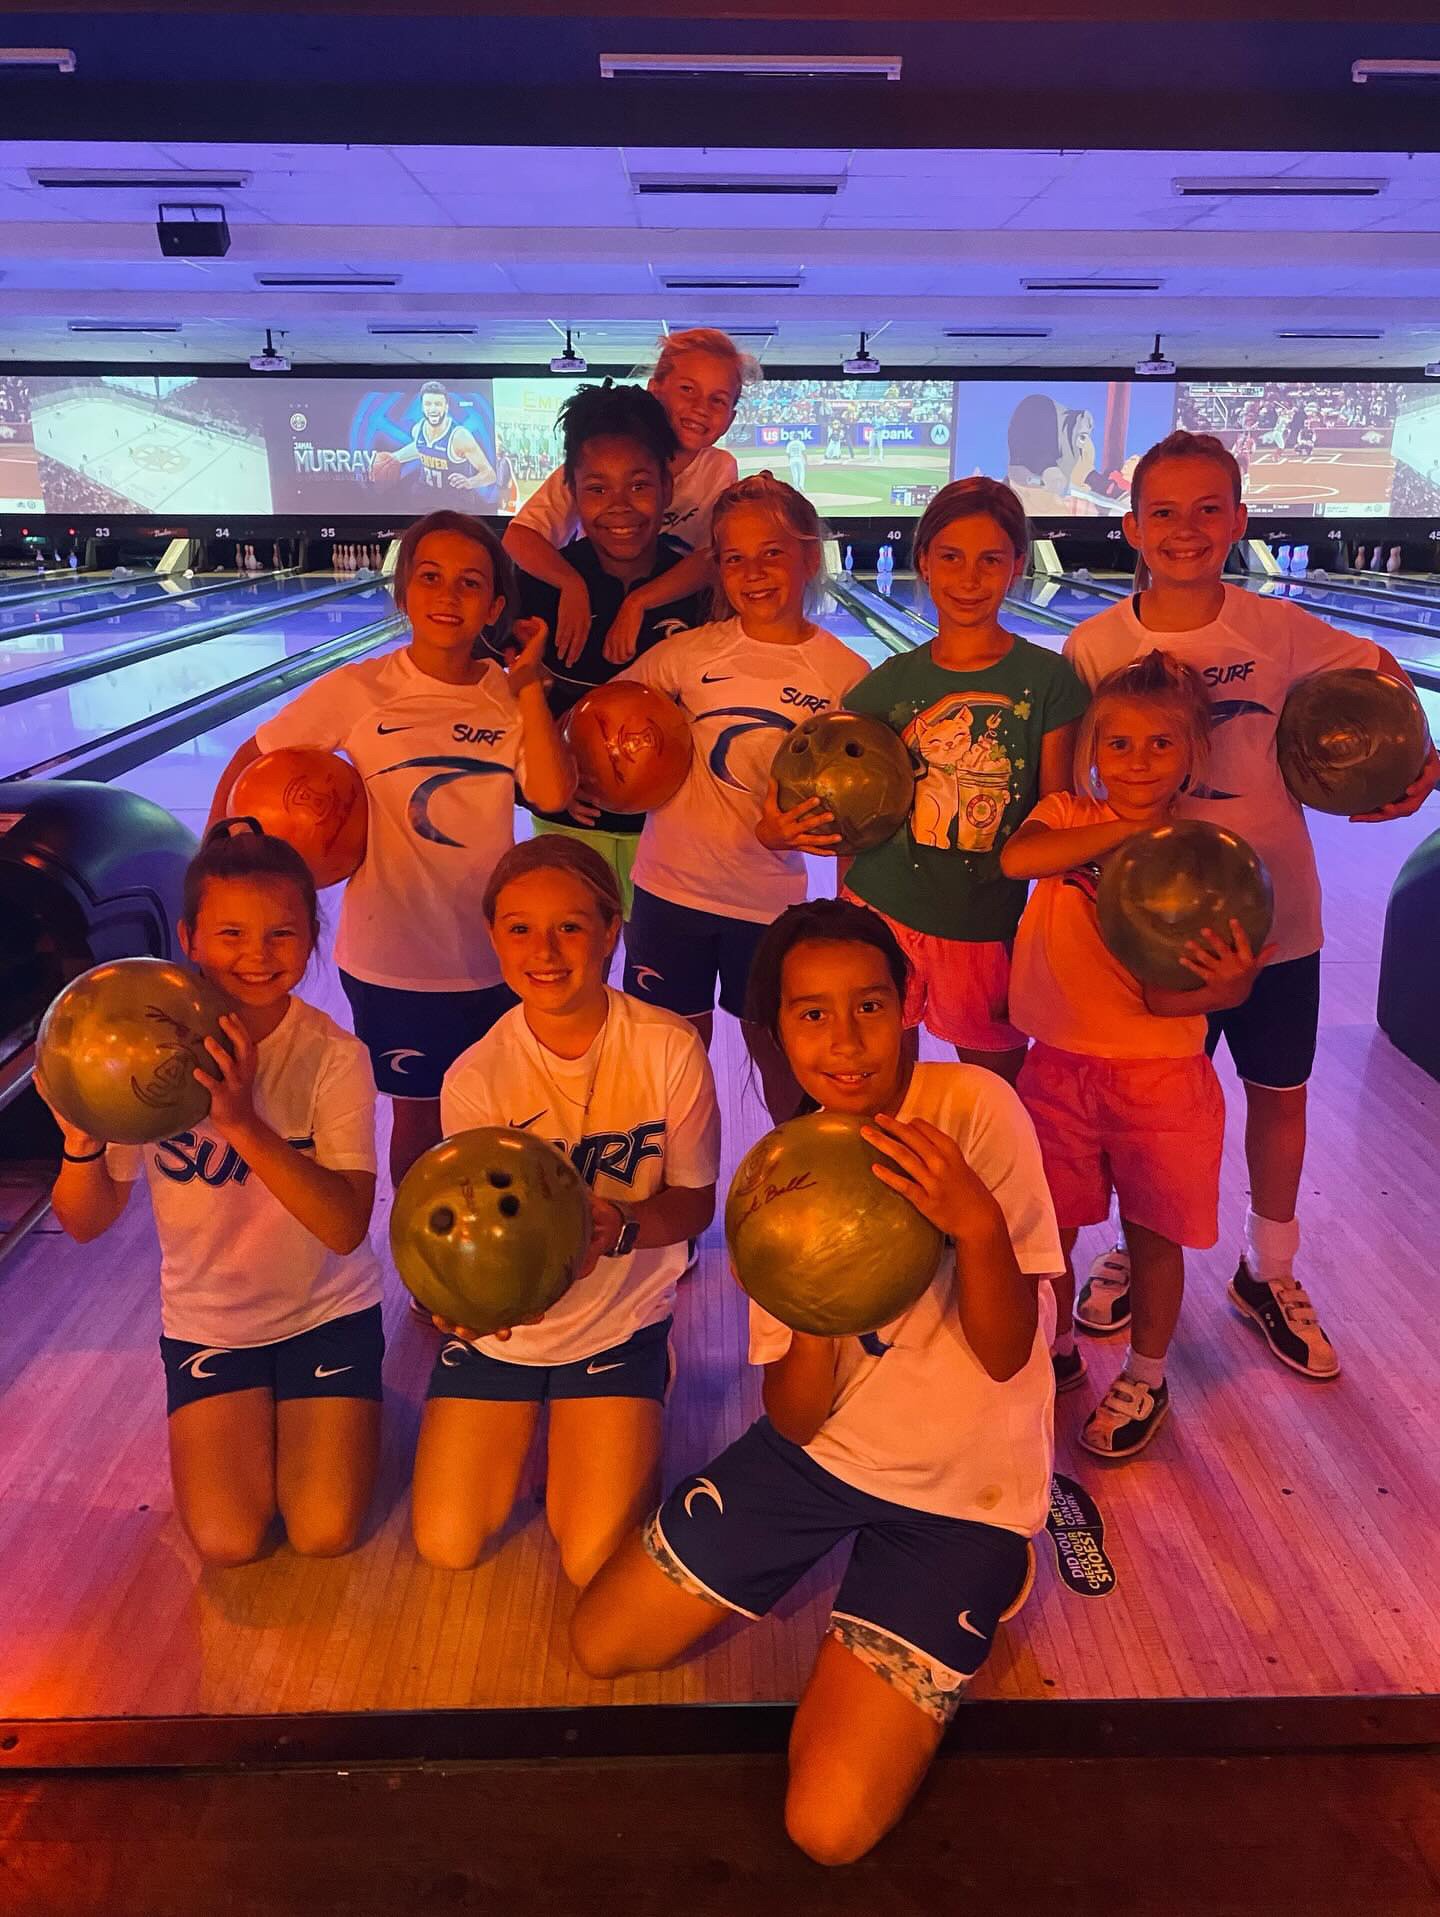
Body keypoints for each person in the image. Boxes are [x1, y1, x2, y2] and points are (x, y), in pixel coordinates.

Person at [572, 898, 1061, 1866]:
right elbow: (794, 1424)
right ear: (776, 1029)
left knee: (826, 1827)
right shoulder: (780, 1173)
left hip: (965, 1494)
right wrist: (805, 1311)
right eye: (811, 1014)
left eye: (869, 1007)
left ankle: (988, 1572)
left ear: (908, 1002)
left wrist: (974, 1223)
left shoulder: (975, 1111)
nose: (845, 1042)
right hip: (826, 1459)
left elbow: (1009, 1354)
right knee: (602, 1640)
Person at [1065, 430, 1439, 1379]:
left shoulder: (1277, 629)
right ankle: (1137, 1248)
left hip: (1280, 916)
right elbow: (1081, 782)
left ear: (1238, 520)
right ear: (1130, 527)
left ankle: (1267, 1269)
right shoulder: (1094, 643)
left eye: (1207, 509)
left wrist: (1414, 763)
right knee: (1151, 1110)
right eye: (1164, 511)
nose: (1186, 529)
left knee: (1278, 1094)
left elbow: (1384, 674)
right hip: (1153, 930)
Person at [42, 824, 383, 1566]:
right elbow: (87, 1222)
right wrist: (80, 1138)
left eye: (281, 934)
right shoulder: (147, 1051)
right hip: (211, 1327)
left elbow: (347, 1226)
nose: (257, 955)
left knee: (324, 1529)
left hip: (329, 1315)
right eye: (232, 933)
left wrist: (242, 1122)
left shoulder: (334, 1057)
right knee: (230, 1540)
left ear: (310, 938)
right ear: (191, 937)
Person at [206, 510, 575, 1186]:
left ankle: (490, 1263)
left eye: (470, 584)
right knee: (419, 1121)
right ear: (403, 590)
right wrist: (214, 860)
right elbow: (253, 755)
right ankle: (428, 1270)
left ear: (494, 606)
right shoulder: (360, 688)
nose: (447, 595)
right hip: (391, 959)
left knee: (499, 1115)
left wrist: (527, 687)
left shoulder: (505, 696)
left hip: (495, 953)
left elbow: (550, 794)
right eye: (430, 577)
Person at [410, 837, 719, 1587]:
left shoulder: (669, 1047)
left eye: (571, 926)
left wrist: (625, 1227)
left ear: (613, 930)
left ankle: (647, 1366)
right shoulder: (475, 1077)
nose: (544, 951)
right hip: (509, 1337)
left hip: (615, 1321)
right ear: (494, 937)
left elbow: (696, 1204)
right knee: (448, 1543)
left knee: (590, 1559)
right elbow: (466, 1233)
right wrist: (460, 1300)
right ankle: (535, 1410)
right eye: (519, 928)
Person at [1002, 651, 1269, 1455]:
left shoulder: (1205, 858)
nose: (1138, 761)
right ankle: (1054, 1350)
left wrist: (1229, 990)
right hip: (1056, 1067)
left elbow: (1166, 996)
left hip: (1160, 1078)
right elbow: (1019, 859)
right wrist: (1126, 830)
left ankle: (1147, 1374)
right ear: (1091, 751)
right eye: (1118, 744)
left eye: (1161, 745)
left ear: (1194, 755)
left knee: (1153, 1235)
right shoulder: (1066, 816)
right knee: (1045, 1230)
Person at [618, 473, 869, 1117]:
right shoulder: (686, 654)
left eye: (772, 553)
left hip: (767, 903)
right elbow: (604, 722)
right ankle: (670, 1194)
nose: (752, 572)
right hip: (668, 890)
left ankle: (800, 1180)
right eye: (734, 558)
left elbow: (858, 814)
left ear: (810, 556)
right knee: (666, 1053)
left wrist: (842, 907)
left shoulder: (845, 674)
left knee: (779, 1050)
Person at [841, 477, 1090, 1082]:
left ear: (1017, 566)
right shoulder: (886, 684)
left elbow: (1056, 813)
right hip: (882, 912)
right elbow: (853, 819)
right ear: (923, 562)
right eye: (950, 557)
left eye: (990, 560)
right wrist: (843, 917)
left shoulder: (1051, 681)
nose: (969, 578)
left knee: (998, 1093)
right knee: (883, 1092)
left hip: (987, 926)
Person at [503, 382, 710, 917]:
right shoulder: (539, 589)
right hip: (566, 826)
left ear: (668, 485)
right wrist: (537, 787)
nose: (620, 508)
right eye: (596, 490)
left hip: (674, 830)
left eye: (639, 485)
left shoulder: (699, 589)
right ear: (570, 491)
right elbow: (495, 709)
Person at [503, 328, 755, 667]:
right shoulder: (603, 456)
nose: (700, 408)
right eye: (687, 390)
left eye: (718, 400)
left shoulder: (719, 468)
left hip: (666, 604)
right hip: (598, 599)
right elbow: (519, 537)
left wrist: (639, 601)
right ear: (656, 389)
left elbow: (712, 558)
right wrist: (571, 585)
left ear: (731, 418)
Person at [372, 381, 499, 505]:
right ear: (422, 407)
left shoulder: (459, 436)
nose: (433, 409)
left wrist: (470, 482)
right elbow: (421, 448)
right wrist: (396, 456)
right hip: (425, 498)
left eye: (438, 404)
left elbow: (490, 474)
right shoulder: (417, 429)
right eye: (428, 404)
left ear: (446, 406)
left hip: (454, 504)